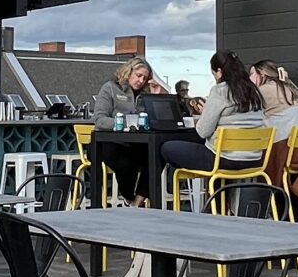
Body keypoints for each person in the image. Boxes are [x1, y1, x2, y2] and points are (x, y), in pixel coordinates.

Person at [160, 50, 266, 194]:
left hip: (224, 159)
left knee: (167, 147)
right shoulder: (254, 92)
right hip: (254, 160)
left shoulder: (220, 91)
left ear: (219, 71)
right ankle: (218, 203)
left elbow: (203, 132)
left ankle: (160, 199)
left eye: (213, 74)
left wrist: (205, 114)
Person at [90, 57, 156, 197]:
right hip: (106, 142)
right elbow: (99, 119)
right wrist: (124, 123)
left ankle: (139, 198)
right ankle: (128, 198)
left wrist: (156, 97)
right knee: (126, 162)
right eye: (138, 76)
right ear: (129, 72)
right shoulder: (110, 88)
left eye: (144, 78)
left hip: (134, 142)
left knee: (157, 156)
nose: (141, 81)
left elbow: (156, 120)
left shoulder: (145, 95)